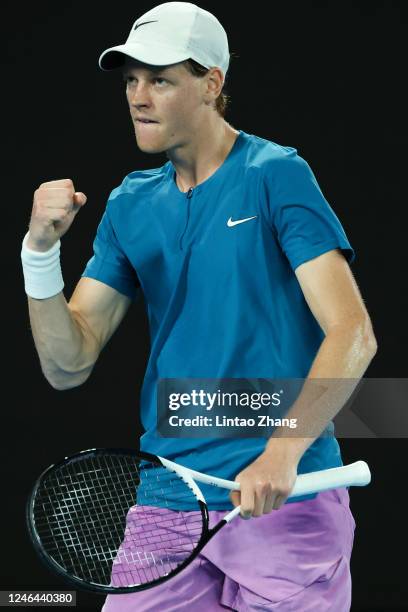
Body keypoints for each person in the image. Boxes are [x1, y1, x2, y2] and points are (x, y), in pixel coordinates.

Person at [21, 2, 377, 610]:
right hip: (168, 497)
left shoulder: (276, 174)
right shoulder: (130, 203)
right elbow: (67, 362)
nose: (139, 96)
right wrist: (39, 253)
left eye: (160, 79)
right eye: (131, 80)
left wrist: (283, 449)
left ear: (212, 83)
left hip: (284, 498)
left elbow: (353, 333)